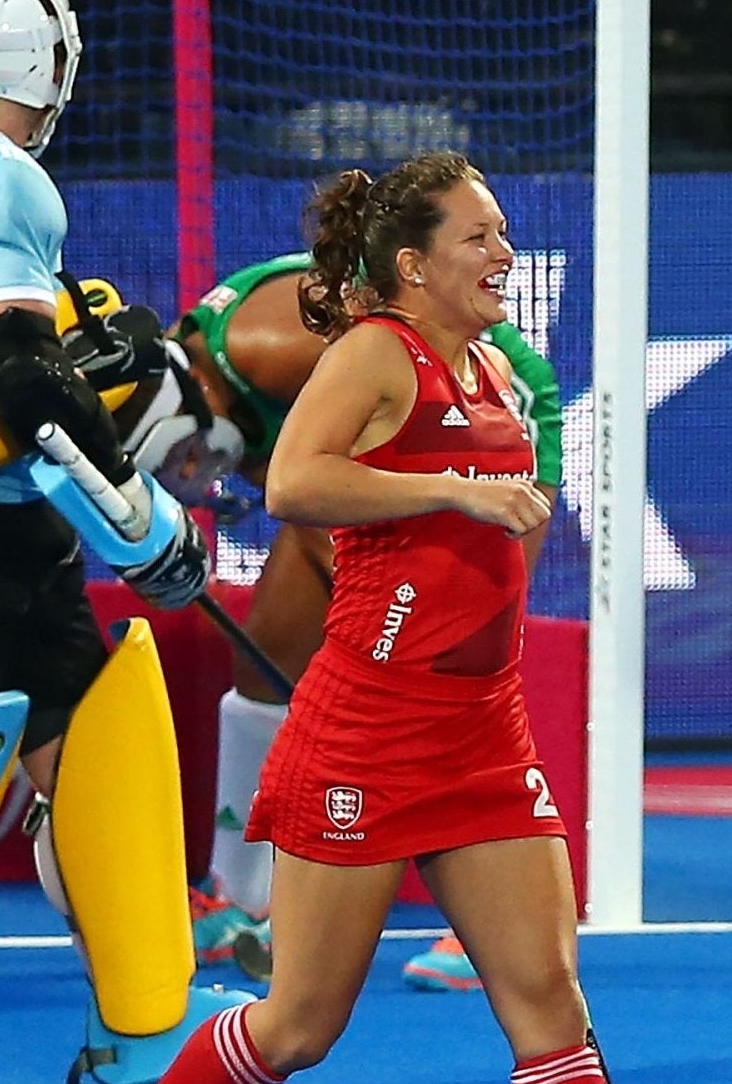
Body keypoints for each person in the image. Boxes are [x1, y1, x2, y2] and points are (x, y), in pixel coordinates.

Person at [59, 153, 732, 1084]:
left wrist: (469, 508)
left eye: (504, 231)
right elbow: (293, 482)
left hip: (481, 731)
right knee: (300, 1023)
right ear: (412, 263)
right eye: (479, 235)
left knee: (549, 998)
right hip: (368, 726)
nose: (502, 251)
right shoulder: (376, 351)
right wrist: (453, 492)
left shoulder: (495, 367)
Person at [0, 0, 239, 1084]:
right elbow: (15, 378)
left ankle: (142, 1018)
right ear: (53, 73)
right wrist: (142, 519)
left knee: (90, 727)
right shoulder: (9, 182)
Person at [180, 250, 564, 991]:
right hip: (394, 453)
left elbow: (336, 497)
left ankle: (493, 910)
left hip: (485, 416)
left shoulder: (267, 348)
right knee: (265, 654)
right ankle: (235, 896)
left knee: (469, 650)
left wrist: (372, 633)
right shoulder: (226, 377)